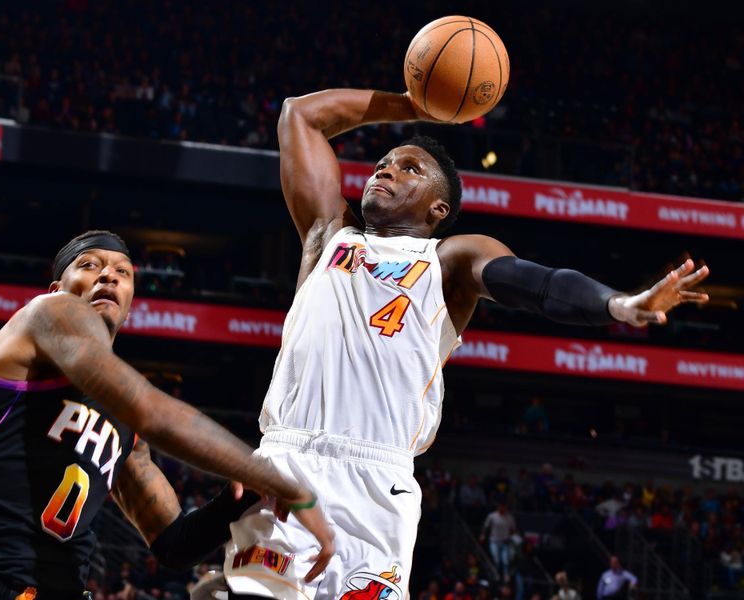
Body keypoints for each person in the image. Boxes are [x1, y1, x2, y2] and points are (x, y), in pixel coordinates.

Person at [223, 88, 710, 598]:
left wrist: (618, 305)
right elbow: (299, 115)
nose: (384, 170)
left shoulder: (450, 258)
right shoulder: (329, 235)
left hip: (376, 485)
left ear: (439, 207)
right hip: (284, 466)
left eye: (408, 168)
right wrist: (421, 103)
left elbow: (538, 284)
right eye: (383, 163)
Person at [0, 231, 333, 600]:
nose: (108, 275)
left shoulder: (123, 422)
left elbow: (174, 545)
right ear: (57, 289)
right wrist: (277, 480)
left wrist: (235, 501)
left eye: (122, 272)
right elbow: (152, 411)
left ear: (130, 301)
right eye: (89, 265)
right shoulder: (46, 314)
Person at [480, 501, 518, 582]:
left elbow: (513, 530)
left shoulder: (510, 517)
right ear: (498, 507)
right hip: (494, 541)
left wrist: (512, 537)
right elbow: (486, 526)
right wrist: (483, 535)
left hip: (505, 542)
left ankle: (506, 576)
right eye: (501, 506)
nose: (503, 508)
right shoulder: (492, 516)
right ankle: (496, 575)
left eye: (505, 507)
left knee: (505, 561)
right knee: (496, 559)